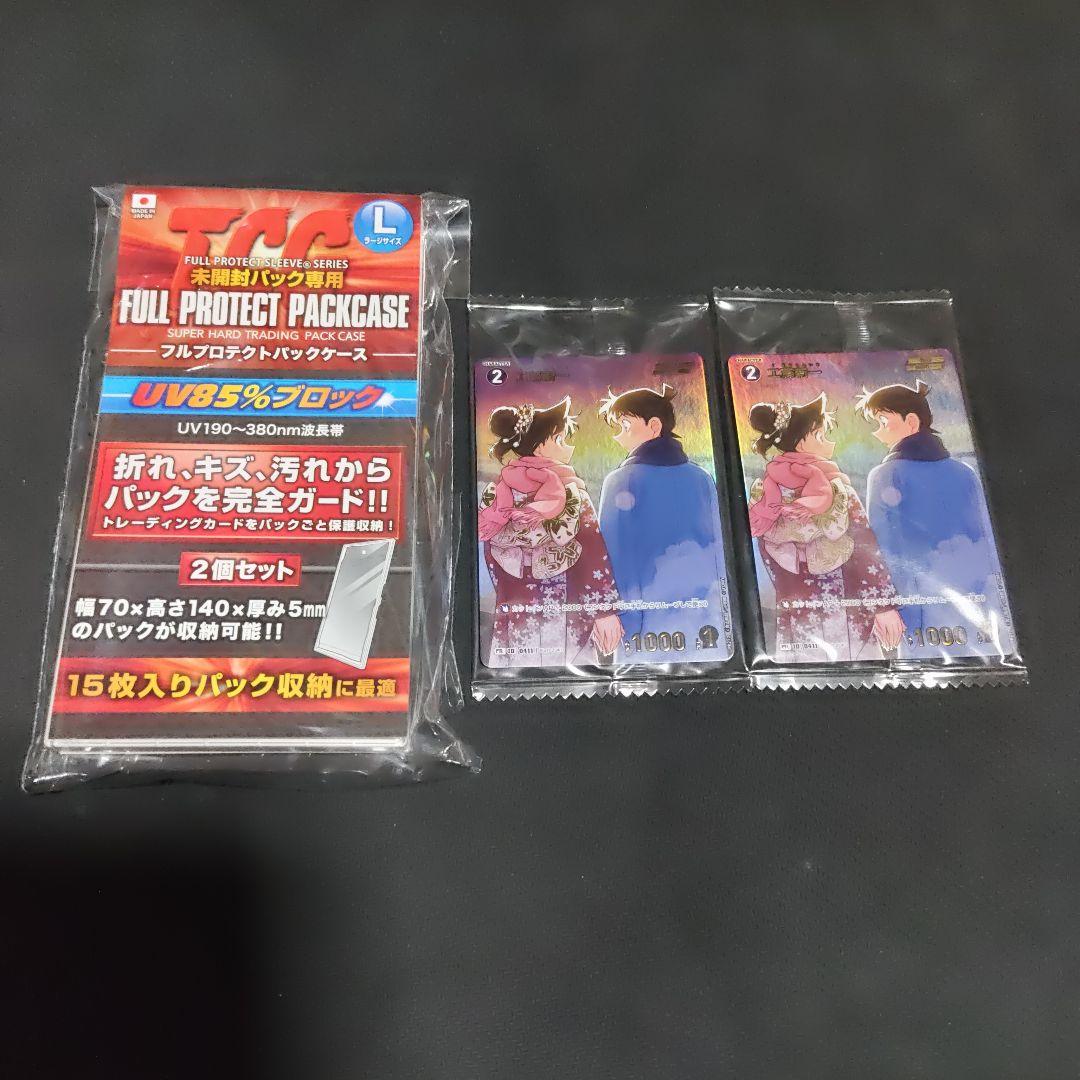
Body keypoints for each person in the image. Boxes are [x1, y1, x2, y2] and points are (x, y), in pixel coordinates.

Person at [747, 393, 905, 663]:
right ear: (801, 443)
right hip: (847, 606)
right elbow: (864, 549)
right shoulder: (836, 489)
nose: (829, 442)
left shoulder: (765, 492)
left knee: (801, 669)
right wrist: (883, 605)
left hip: (797, 608)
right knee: (857, 670)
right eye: (820, 435)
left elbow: (766, 552)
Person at [857, 379, 1009, 656]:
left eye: (882, 422)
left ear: (911, 422)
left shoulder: (886, 475)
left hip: (916, 603)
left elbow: (881, 547)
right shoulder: (964, 472)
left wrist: (884, 605)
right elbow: (988, 545)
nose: (877, 433)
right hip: (976, 601)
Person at [478, 396, 623, 667]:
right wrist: (603, 610)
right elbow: (592, 553)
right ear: (540, 446)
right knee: (571, 676)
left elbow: (492, 554)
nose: (568, 447)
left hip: (518, 604)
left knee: (517, 671)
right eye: (560, 439)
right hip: (569, 604)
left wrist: (511, 587)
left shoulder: (498, 493)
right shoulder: (570, 493)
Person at [596, 384, 730, 660]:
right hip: (705, 616)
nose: (618, 436)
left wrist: (617, 614)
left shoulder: (621, 480)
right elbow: (719, 552)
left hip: (643, 620)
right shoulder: (702, 478)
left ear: (654, 426)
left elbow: (611, 556)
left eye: (624, 426)